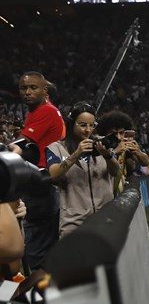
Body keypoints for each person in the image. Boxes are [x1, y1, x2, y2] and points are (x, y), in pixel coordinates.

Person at [47, 102, 120, 237]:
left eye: (92, 125)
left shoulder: (101, 144)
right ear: (71, 123)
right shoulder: (55, 148)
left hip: (105, 219)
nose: (88, 130)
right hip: (74, 224)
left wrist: (108, 156)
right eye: (82, 125)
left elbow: (116, 172)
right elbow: (53, 175)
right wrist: (76, 154)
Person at [17, 72, 66, 270]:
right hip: (43, 185)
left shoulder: (45, 111)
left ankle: (38, 295)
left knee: (34, 249)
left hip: (41, 185)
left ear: (44, 90)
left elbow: (20, 146)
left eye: (33, 88)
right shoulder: (40, 110)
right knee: (42, 247)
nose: (27, 92)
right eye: (23, 88)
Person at [96, 110, 149, 194]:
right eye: (113, 133)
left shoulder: (126, 146)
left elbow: (145, 163)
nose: (118, 137)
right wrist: (114, 152)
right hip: (102, 194)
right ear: (105, 133)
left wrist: (138, 151)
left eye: (121, 133)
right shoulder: (100, 147)